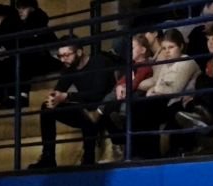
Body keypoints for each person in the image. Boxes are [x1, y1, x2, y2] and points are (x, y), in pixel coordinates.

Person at [28, 37, 117, 169]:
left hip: (104, 110)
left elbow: (98, 94)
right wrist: (53, 98)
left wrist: (67, 96)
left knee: (87, 110)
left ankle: (88, 158)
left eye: (66, 55)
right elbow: (59, 89)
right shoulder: (69, 68)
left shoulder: (99, 62)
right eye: (60, 56)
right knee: (46, 108)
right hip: (85, 109)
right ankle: (48, 157)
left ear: (80, 52)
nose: (63, 60)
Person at [121, 30, 200, 159]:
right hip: (165, 101)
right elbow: (157, 83)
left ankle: (149, 155)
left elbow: (174, 88)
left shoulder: (187, 62)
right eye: (164, 48)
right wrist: (152, 89)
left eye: (171, 47)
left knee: (145, 108)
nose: (167, 51)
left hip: (179, 102)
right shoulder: (166, 64)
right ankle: (133, 154)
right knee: (136, 107)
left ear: (180, 46)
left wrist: (154, 90)